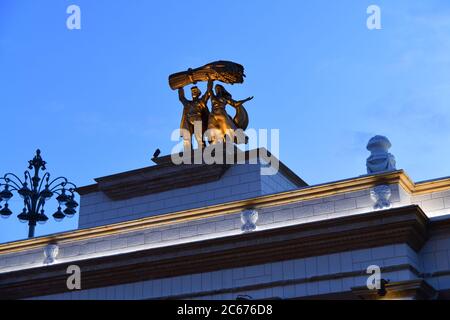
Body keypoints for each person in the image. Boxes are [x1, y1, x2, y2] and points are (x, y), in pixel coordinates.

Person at [178, 81, 212, 149]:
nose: (193, 92)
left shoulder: (201, 101)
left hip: (197, 118)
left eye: (195, 91)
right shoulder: (188, 103)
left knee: (198, 135)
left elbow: (208, 92)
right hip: (188, 120)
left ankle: (202, 146)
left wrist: (210, 81)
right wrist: (180, 87)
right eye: (192, 91)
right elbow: (181, 98)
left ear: (198, 93)